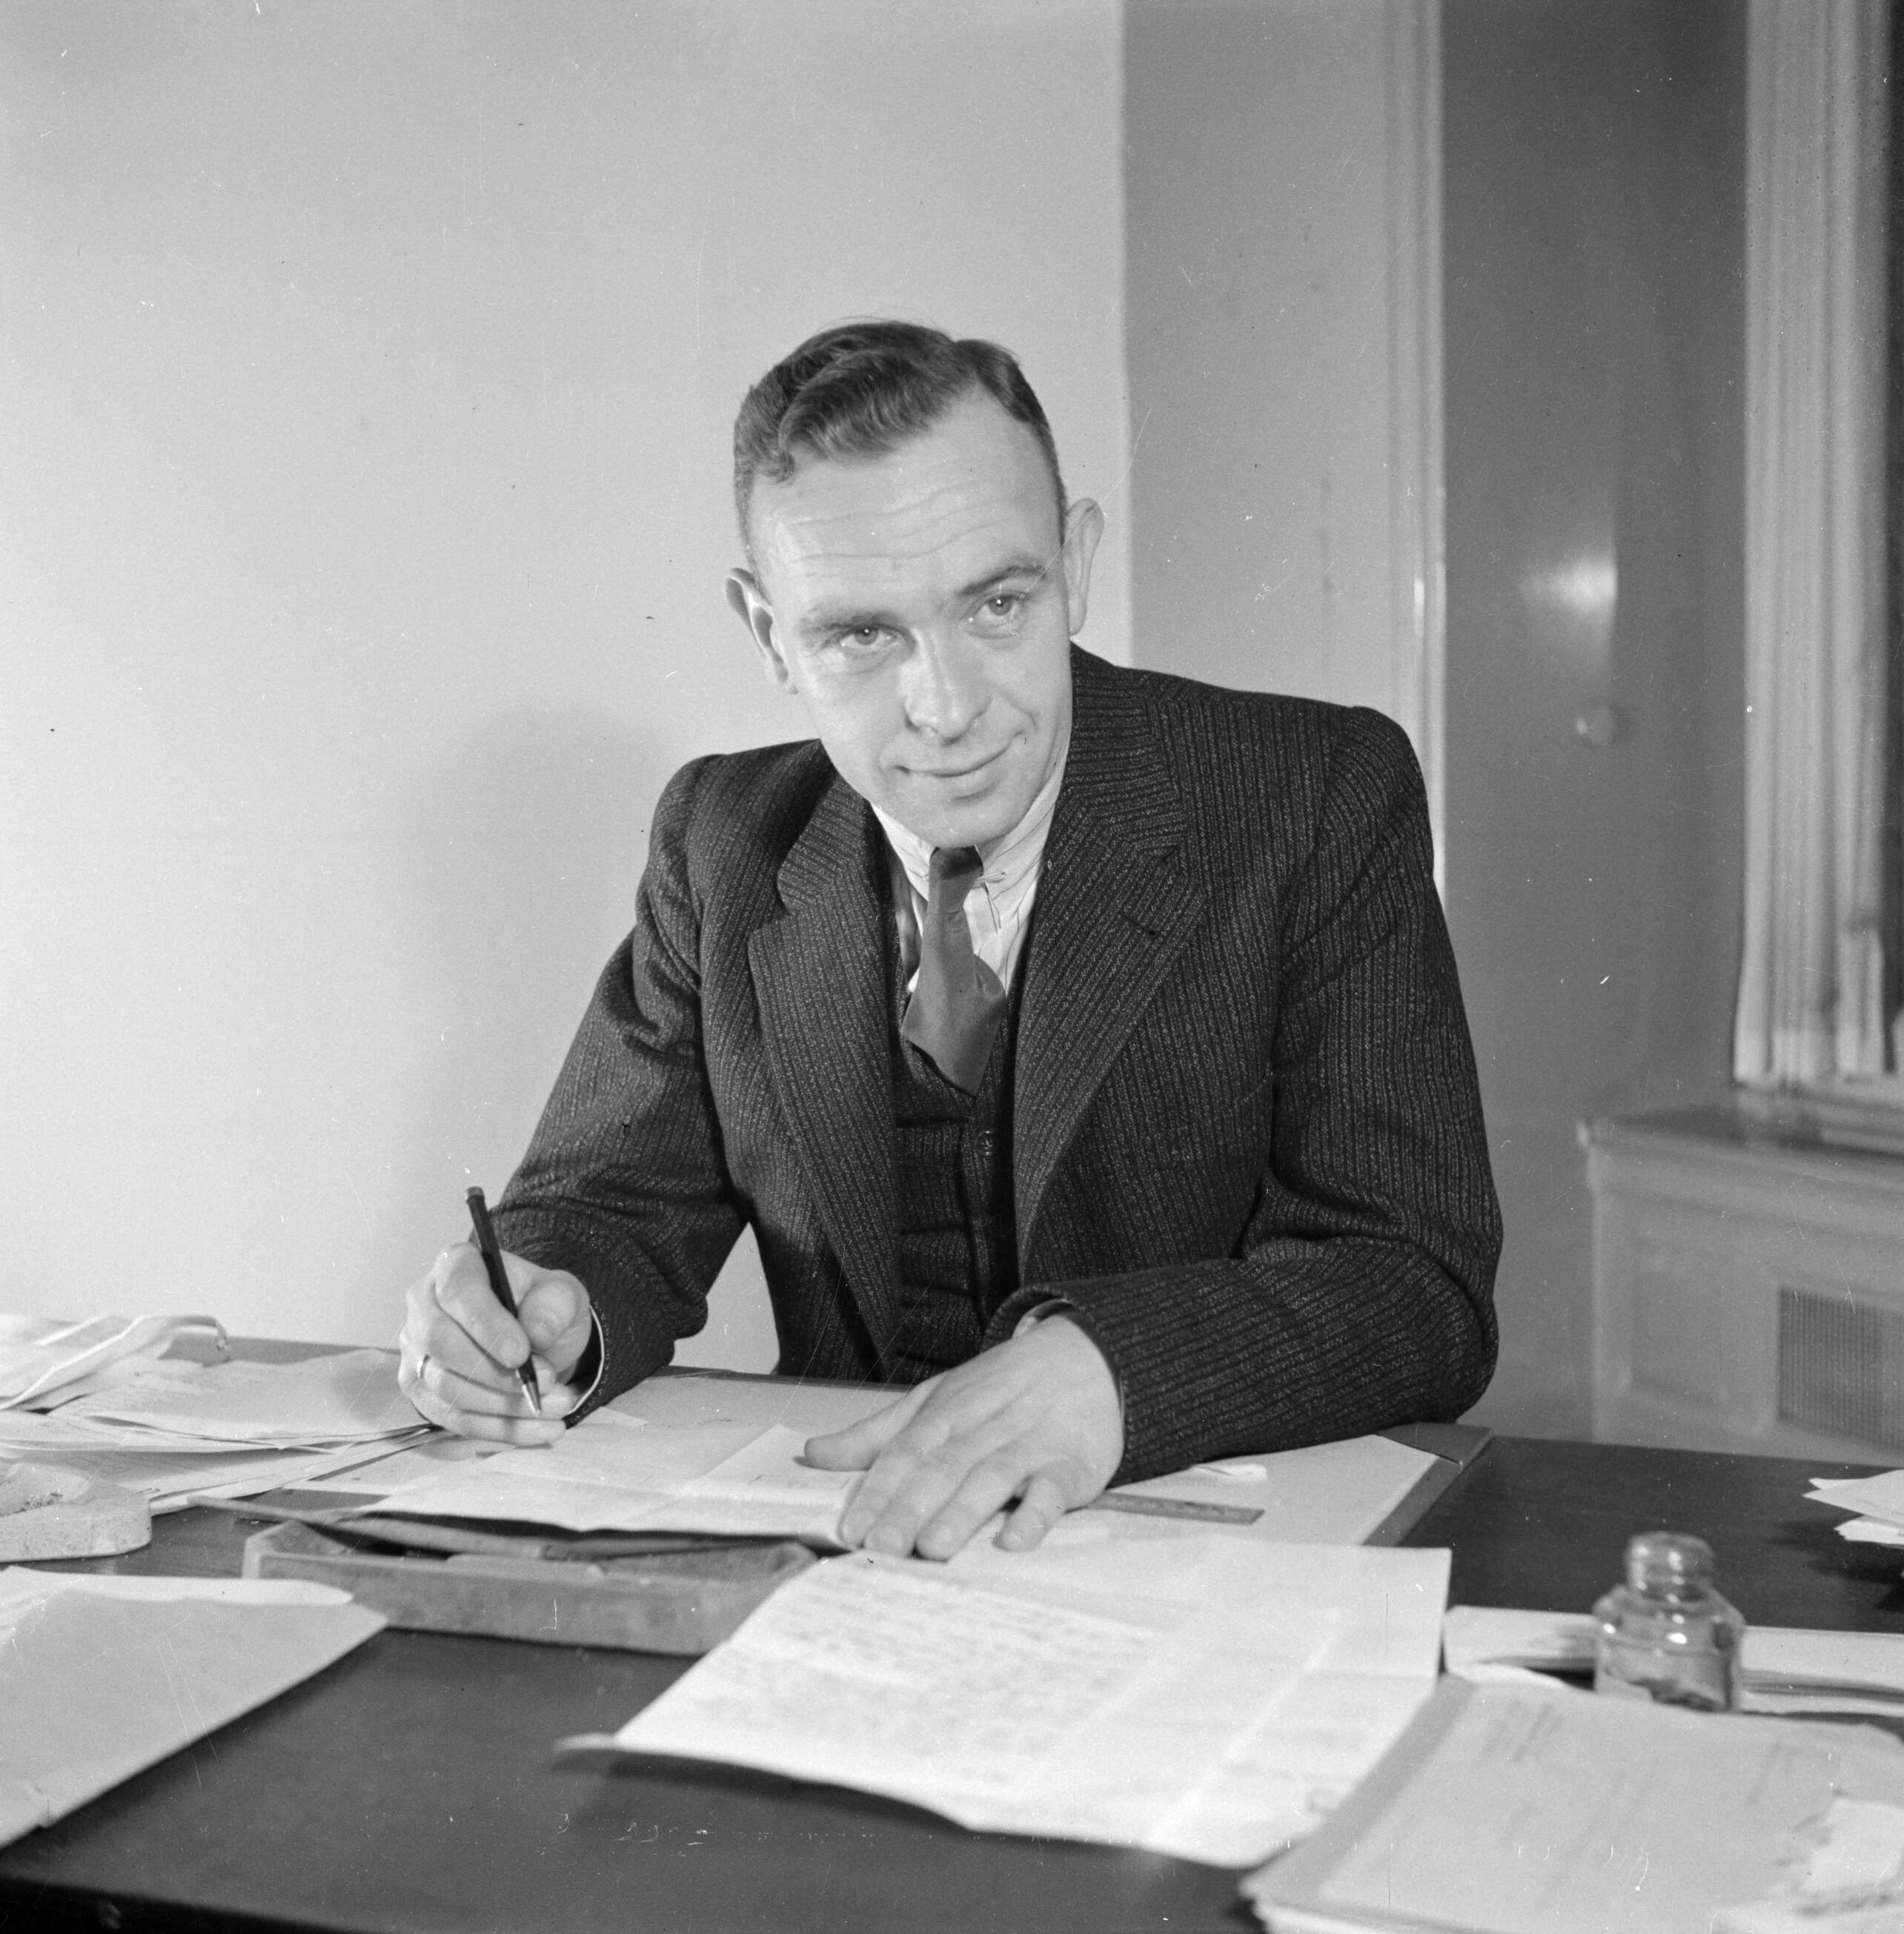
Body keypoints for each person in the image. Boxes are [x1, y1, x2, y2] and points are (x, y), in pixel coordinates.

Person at [398, 320, 1502, 1561]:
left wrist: (1109, 1372)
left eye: (997, 604)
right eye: (861, 635)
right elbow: (603, 1207)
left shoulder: (1312, 795)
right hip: (845, 1548)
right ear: (767, 634)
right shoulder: (722, 839)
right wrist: (539, 1308)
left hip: (1195, 1553)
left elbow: (1416, 1282)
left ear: (1075, 565)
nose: (947, 707)